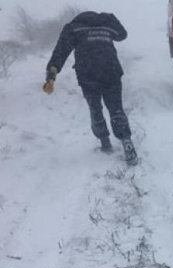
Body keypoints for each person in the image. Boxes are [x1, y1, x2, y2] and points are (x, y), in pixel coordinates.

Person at [43, 11, 138, 166]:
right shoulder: (106, 25)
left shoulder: (73, 28)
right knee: (116, 108)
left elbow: (61, 51)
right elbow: (122, 34)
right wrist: (112, 18)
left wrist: (52, 73)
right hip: (111, 70)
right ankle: (126, 142)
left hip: (88, 73)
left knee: (95, 108)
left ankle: (105, 143)